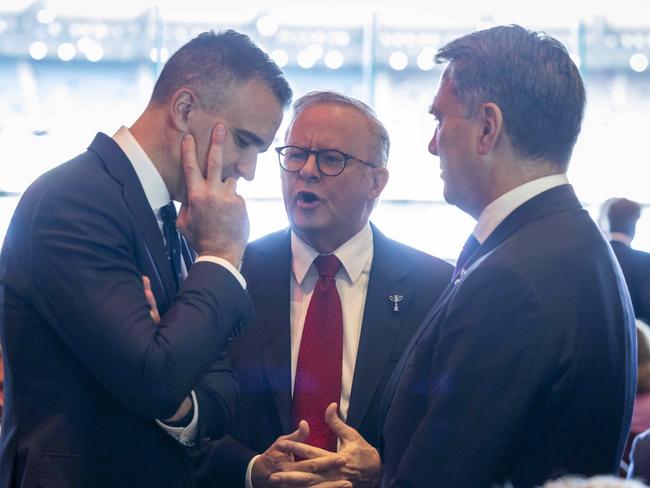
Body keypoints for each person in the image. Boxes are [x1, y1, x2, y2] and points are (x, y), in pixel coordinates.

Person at [269, 25, 636, 488]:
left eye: (440, 120)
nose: (432, 142)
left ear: (487, 127)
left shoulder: (513, 278)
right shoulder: (567, 243)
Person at [0, 30, 292, 487]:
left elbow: (220, 385)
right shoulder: (75, 201)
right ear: (184, 109)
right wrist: (220, 255)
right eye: (243, 140)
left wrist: (178, 399)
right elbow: (155, 378)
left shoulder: (172, 218)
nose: (249, 170)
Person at [192, 91, 453, 487]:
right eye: (295, 154)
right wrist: (252, 470)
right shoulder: (231, 275)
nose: (307, 171)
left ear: (376, 182)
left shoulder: (434, 288)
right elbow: (187, 421)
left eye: (332, 159)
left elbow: (449, 435)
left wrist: (382, 471)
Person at [605, 198, 650, 324]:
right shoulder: (645, 261)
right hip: (637, 339)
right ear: (634, 223)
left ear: (608, 221)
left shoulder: (594, 257)